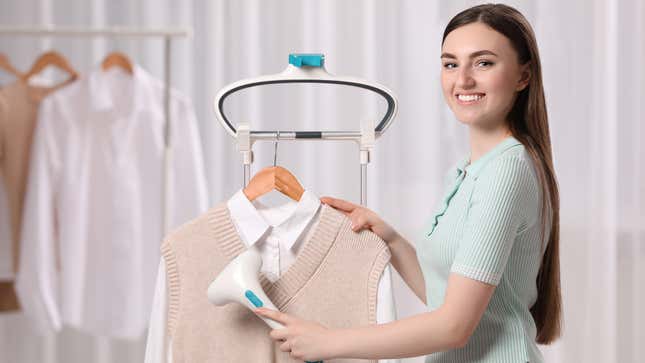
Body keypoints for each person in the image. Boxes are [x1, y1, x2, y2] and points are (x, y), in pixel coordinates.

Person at [254, 3, 562, 362]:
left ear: (523, 76)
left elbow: (453, 327)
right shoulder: (467, 171)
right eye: (450, 64)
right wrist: (392, 239)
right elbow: (445, 297)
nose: (462, 80)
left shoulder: (505, 173)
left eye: (483, 63)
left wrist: (328, 342)